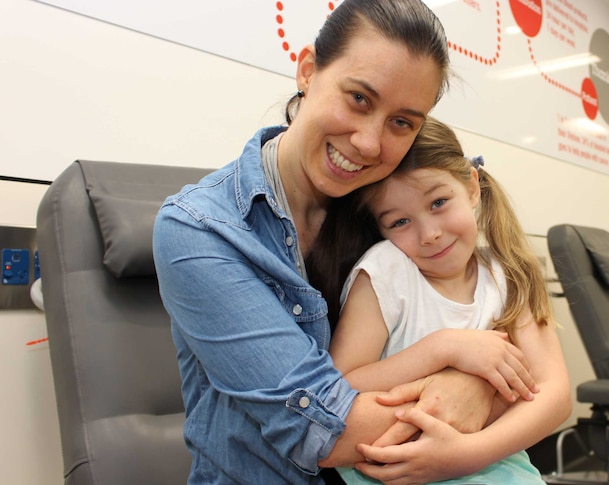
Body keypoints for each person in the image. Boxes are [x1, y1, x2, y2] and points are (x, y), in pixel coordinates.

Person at [153, 1, 540, 484]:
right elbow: (324, 429)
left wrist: (483, 381)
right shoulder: (200, 230)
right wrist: (472, 386)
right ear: (308, 70)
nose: (369, 144)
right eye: (359, 98)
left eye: (402, 122)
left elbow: (546, 378)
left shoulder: (390, 215)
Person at [328, 118, 572, 484]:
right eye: (399, 222)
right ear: (379, 228)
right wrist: (442, 348)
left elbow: (554, 393)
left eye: (439, 202)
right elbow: (340, 386)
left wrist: (465, 456)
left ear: (472, 187)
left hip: (496, 465)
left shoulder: (508, 274)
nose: (430, 234)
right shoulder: (385, 271)